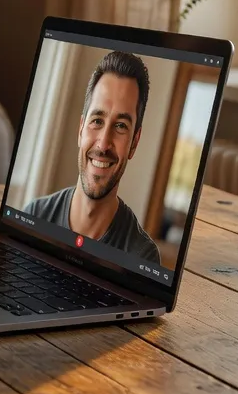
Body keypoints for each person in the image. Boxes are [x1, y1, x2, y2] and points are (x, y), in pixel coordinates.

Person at [23, 51, 162, 266]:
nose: (104, 144)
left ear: (134, 143)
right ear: (81, 130)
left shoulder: (141, 257)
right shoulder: (35, 216)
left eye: (120, 126)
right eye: (97, 120)